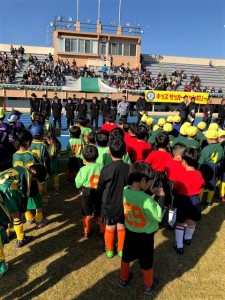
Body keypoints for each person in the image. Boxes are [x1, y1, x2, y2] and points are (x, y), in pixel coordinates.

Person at [118, 162, 163, 295]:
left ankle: (123, 278)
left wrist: (149, 194)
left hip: (131, 230)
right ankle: (149, 285)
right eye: (149, 182)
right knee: (146, 259)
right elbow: (158, 216)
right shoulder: (147, 200)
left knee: (126, 256)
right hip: (145, 235)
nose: (150, 185)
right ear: (143, 180)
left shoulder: (125, 191)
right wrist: (161, 198)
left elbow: (138, 197)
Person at [0, 164, 47, 248]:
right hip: (7, 190)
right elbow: (25, 195)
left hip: (2, 185)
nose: (33, 180)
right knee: (16, 214)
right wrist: (22, 209)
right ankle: (21, 239)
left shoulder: (20, 168)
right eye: (35, 178)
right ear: (34, 172)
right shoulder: (27, 175)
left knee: (5, 213)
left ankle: (7, 234)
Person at [97, 139, 129, 258]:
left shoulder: (106, 169)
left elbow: (100, 186)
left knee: (110, 227)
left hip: (109, 203)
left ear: (109, 152)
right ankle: (121, 249)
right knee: (122, 225)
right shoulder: (129, 168)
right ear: (125, 151)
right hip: (124, 203)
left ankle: (109, 250)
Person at [173, 148, 205, 255]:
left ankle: (179, 245)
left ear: (184, 162)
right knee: (191, 220)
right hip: (195, 200)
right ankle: (188, 238)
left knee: (180, 222)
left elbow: (176, 188)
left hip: (182, 200)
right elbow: (201, 186)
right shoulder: (199, 174)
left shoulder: (181, 175)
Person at [75, 145, 104, 240]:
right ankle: (102, 231)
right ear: (97, 156)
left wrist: (80, 188)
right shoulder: (101, 167)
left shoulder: (83, 169)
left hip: (87, 192)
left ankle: (86, 232)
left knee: (86, 213)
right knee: (99, 212)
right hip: (100, 192)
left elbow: (77, 183)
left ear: (84, 158)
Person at [198, 129, 224, 206]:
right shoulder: (220, 147)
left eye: (207, 137)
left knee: (202, 184)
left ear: (210, 139)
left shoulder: (206, 149)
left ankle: (200, 200)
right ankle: (209, 201)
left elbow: (201, 161)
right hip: (215, 167)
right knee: (212, 185)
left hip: (206, 167)